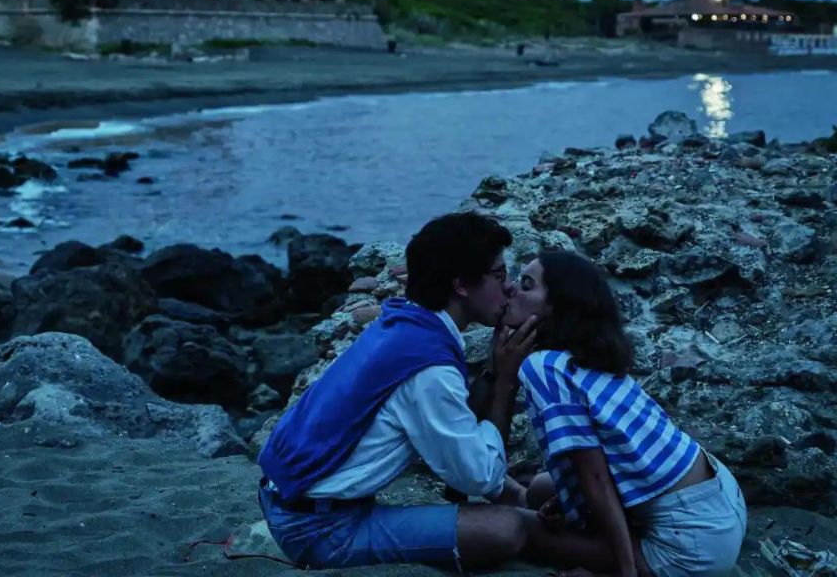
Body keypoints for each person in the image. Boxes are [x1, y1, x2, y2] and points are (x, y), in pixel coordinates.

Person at [256, 211, 543, 571]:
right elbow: (478, 476)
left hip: (287, 500)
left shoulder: (404, 322)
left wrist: (512, 490)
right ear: (461, 285)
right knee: (509, 528)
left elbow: (459, 434)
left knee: (518, 497)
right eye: (499, 275)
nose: (509, 288)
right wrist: (505, 382)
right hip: (319, 529)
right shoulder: (429, 368)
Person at [508, 250, 748, 577]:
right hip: (721, 498)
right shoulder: (588, 359)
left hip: (691, 540)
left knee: (526, 532)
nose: (510, 289)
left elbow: (594, 476)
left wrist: (625, 569)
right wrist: (570, 506)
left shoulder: (544, 366)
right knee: (539, 490)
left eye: (525, 284)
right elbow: (611, 459)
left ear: (557, 306)